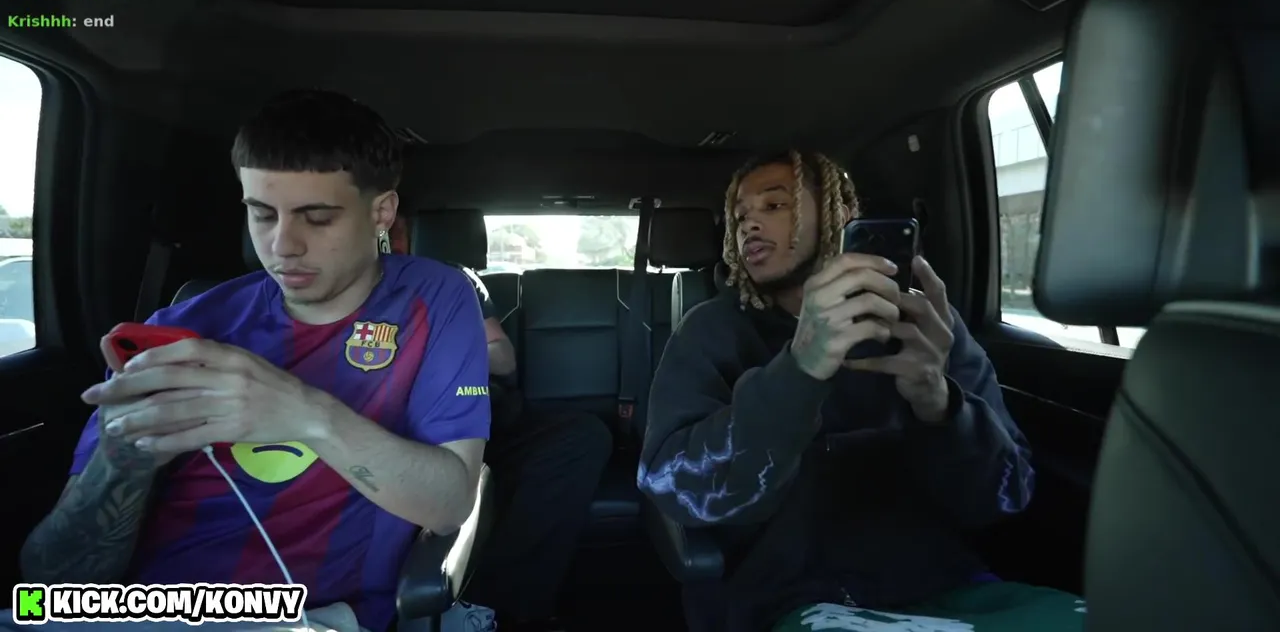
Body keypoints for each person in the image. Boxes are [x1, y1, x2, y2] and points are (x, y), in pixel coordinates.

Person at [8, 90, 490, 632]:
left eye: (317, 218)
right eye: (261, 214)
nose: (283, 245)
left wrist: (303, 412)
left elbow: (450, 502)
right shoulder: (185, 325)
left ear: (381, 212)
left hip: (302, 616)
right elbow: (49, 583)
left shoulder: (433, 298)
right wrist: (122, 458)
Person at [637, 150, 1080, 632]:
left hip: (948, 586)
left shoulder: (922, 324)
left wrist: (939, 403)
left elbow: (1006, 494)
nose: (750, 226)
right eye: (740, 217)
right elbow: (673, 484)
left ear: (841, 213)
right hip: (794, 598)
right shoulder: (711, 330)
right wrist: (797, 372)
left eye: (775, 205)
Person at [443, 265, 612, 632]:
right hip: (407, 435)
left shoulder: (454, 280)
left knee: (586, 436)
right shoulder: (347, 289)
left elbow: (503, 357)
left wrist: (438, 351)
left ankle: (490, 606)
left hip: (487, 425)